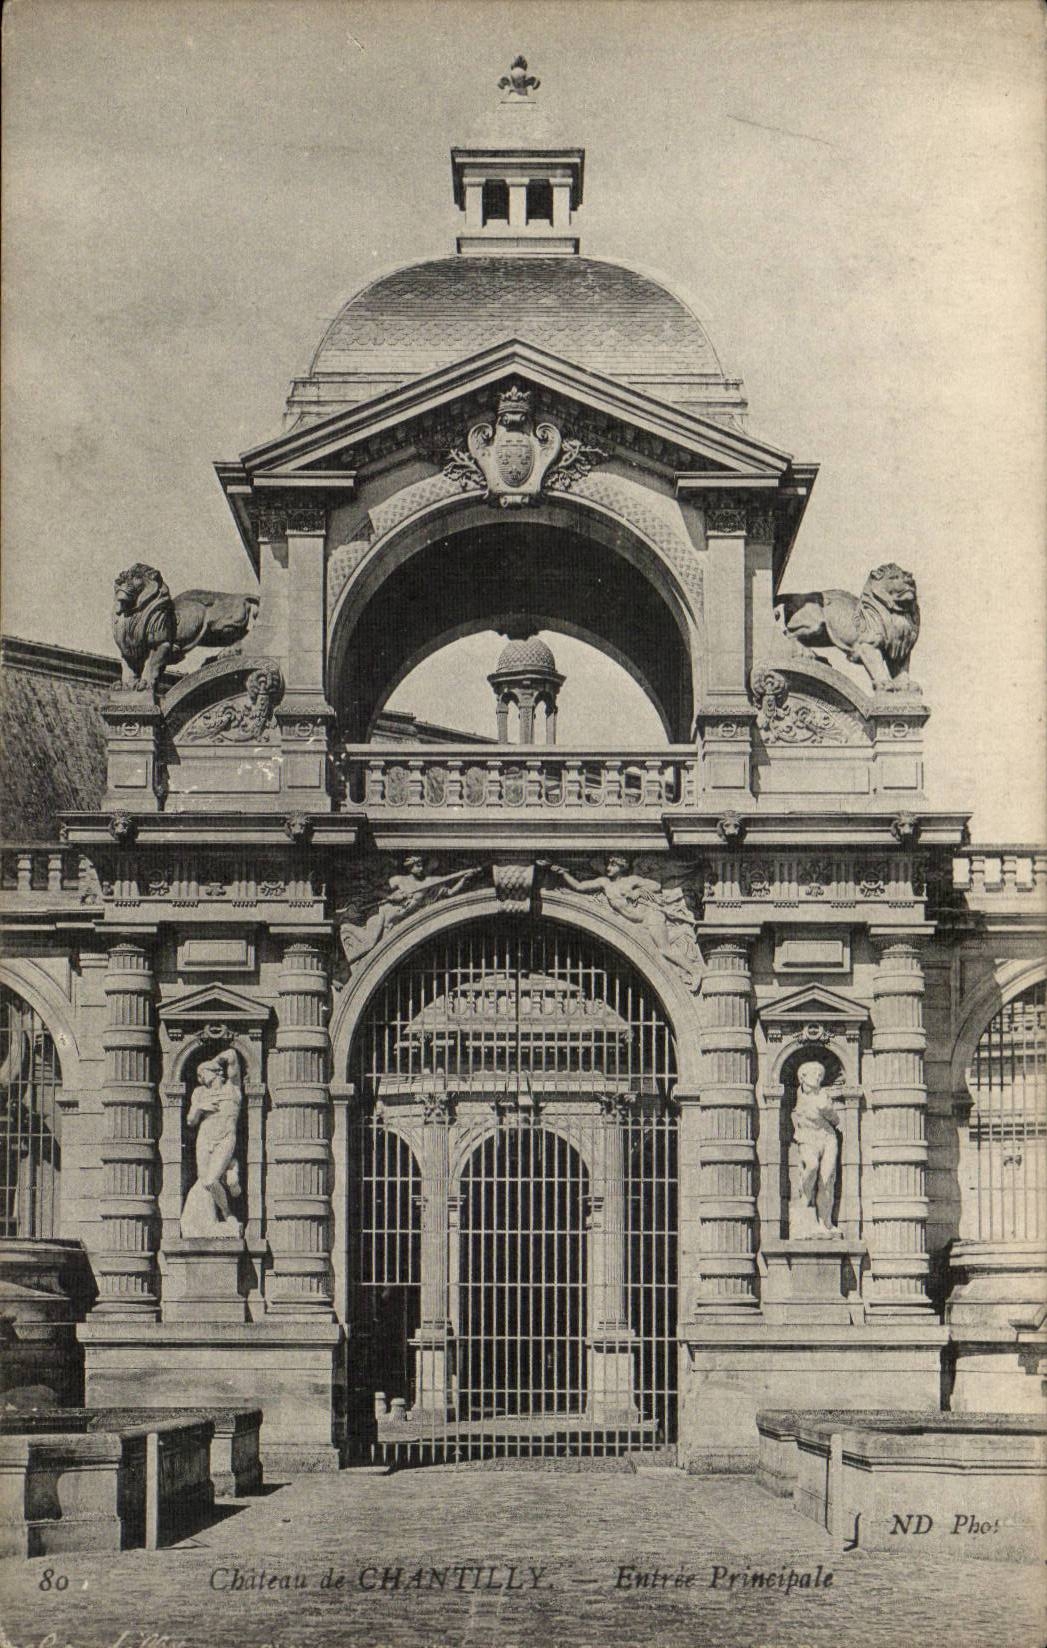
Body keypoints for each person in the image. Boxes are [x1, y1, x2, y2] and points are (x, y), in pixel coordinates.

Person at [180, 1048, 242, 1238]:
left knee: (210, 1181)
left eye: (203, 1072)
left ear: (215, 1071)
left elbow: (231, 1054)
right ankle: (231, 1169)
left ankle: (227, 1214)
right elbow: (190, 1121)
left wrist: (212, 1062)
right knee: (204, 1180)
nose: (200, 1077)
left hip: (225, 1138)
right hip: (204, 1138)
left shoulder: (232, 1087)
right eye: (198, 1074)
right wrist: (200, 1108)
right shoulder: (199, 1093)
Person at [790, 1060, 842, 1238]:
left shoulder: (824, 1095)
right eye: (815, 1073)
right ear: (803, 1076)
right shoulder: (799, 1096)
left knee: (826, 1180)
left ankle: (825, 1223)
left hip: (827, 1138)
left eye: (821, 1074)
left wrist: (827, 1110)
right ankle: (804, 1203)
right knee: (811, 1166)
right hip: (807, 1137)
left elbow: (836, 1121)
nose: (818, 1077)